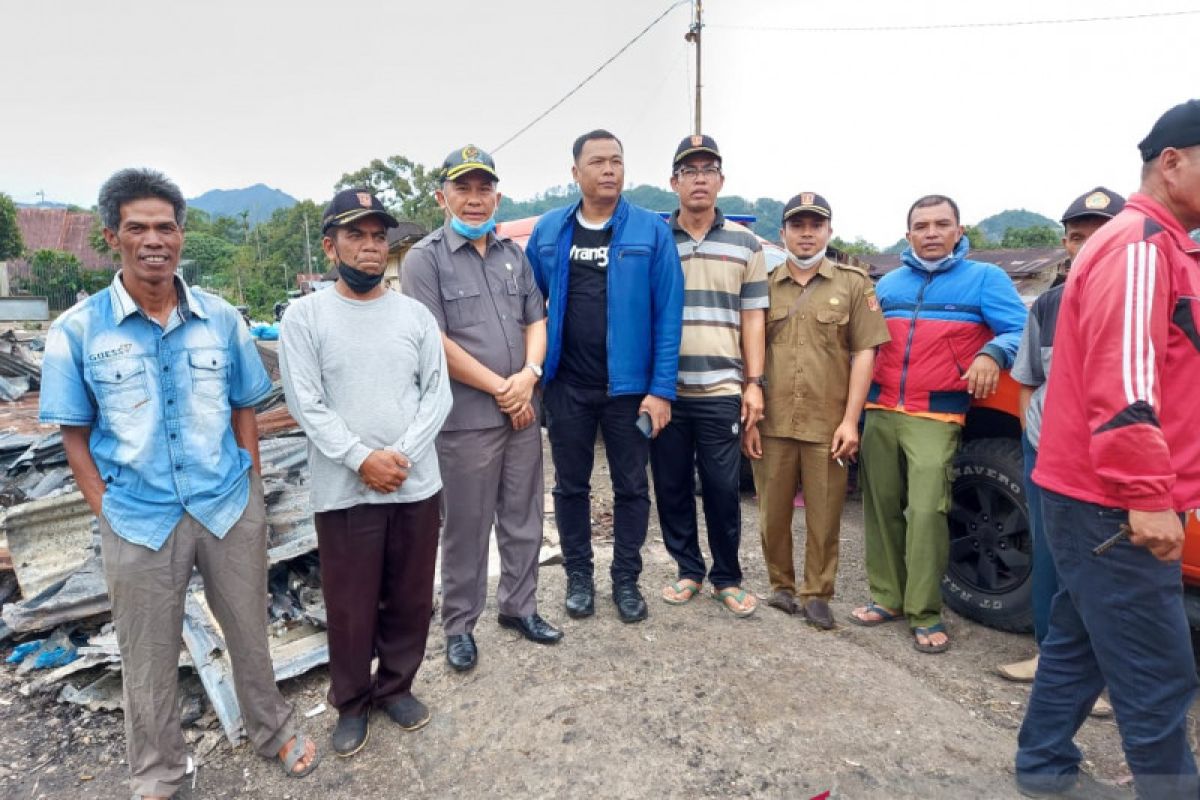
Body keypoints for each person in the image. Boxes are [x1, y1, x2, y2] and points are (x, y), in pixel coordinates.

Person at [39, 168, 318, 799]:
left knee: (249, 630)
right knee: (147, 656)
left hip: (225, 504)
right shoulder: (79, 331)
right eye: (137, 228)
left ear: (181, 236)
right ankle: (160, 772)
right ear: (114, 237)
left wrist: (249, 478)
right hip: (137, 516)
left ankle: (270, 729)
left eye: (165, 227)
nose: (153, 240)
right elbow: (73, 434)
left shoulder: (220, 319)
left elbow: (247, 403)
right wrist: (102, 504)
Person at [1015, 99, 1200, 800]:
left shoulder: (1156, 244)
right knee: (1158, 669)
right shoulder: (1140, 246)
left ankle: (1042, 764)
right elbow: (1125, 385)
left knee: (1080, 638)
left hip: (1090, 492)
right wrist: (1148, 496)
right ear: (1172, 163)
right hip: (1111, 500)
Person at [279, 188, 451, 757]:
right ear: (331, 246)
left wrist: (399, 455)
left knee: (409, 596)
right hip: (345, 489)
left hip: (413, 483)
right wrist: (362, 460)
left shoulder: (414, 316)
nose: (370, 247)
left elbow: (437, 395)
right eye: (356, 235)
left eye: (379, 236)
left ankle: (396, 687)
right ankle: (351, 702)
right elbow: (307, 404)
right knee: (350, 603)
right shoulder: (305, 317)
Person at [402, 145, 562, 674]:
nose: (475, 200)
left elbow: (535, 321)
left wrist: (529, 377)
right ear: (442, 195)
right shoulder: (425, 259)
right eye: (463, 188)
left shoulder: (514, 255)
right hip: (467, 419)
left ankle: (519, 607)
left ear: (497, 192)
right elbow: (435, 342)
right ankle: (460, 625)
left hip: (521, 411)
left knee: (523, 516)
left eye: (484, 188)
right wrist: (503, 387)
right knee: (466, 526)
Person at [850, 194, 1027, 653]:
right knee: (881, 507)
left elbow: (1022, 330)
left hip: (937, 413)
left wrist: (992, 352)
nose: (931, 233)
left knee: (927, 511)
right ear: (908, 234)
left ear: (958, 230)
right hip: (880, 410)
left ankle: (924, 612)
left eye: (941, 224)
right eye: (922, 225)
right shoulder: (887, 286)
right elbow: (862, 345)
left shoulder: (986, 279)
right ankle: (887, 596)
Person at [526, 129, 684, 624]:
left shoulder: (649, 230)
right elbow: (530, 308)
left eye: (616, 160)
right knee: (569, 487)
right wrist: (533, 377)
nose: (609, 169)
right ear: (576, 173)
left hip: (629, 391)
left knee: (632, 486)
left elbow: (668, 313)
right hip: (566, 385)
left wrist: (660, 391)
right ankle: (578, 576)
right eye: (597, 162)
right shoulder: (550, 231)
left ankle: (625, 579)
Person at [996, 188, 1124, 726]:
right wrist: (1034, 433)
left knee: (1107, 570)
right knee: (1051, 557)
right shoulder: (1047, 305)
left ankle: (1106, 681)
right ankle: (1051, 659)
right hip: (1047, 451)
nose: (1087, 245)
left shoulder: (1140, 298)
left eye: (1100, 234)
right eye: (1076, 237)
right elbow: (1028, 378)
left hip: (1114, 462)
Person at [744, 193, 890, 629]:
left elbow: (865, 353)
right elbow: (747, 350)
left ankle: (817, 593)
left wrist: (851, 420)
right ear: (782, 233)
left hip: (828, 424)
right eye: (797, 225)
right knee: (772, 511)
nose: (806, 233)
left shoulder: (853, 284)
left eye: (815, 225)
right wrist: (748, 417)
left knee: (825, 515)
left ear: (829, 231)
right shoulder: (764, 285)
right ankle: (782, 587)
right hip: (772, 420)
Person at [651, 134, 766, 618]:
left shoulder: (746, 243)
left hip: (721, 387)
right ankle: (688, 570)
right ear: (673, 182)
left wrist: (754, 384)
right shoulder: (654, 238)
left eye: (708, 169)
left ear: (721, 180)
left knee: (721, 487)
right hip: (664, 390)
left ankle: (726, 576)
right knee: (671, 484)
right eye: (689, 170)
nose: (699, 178)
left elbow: (753, 316)